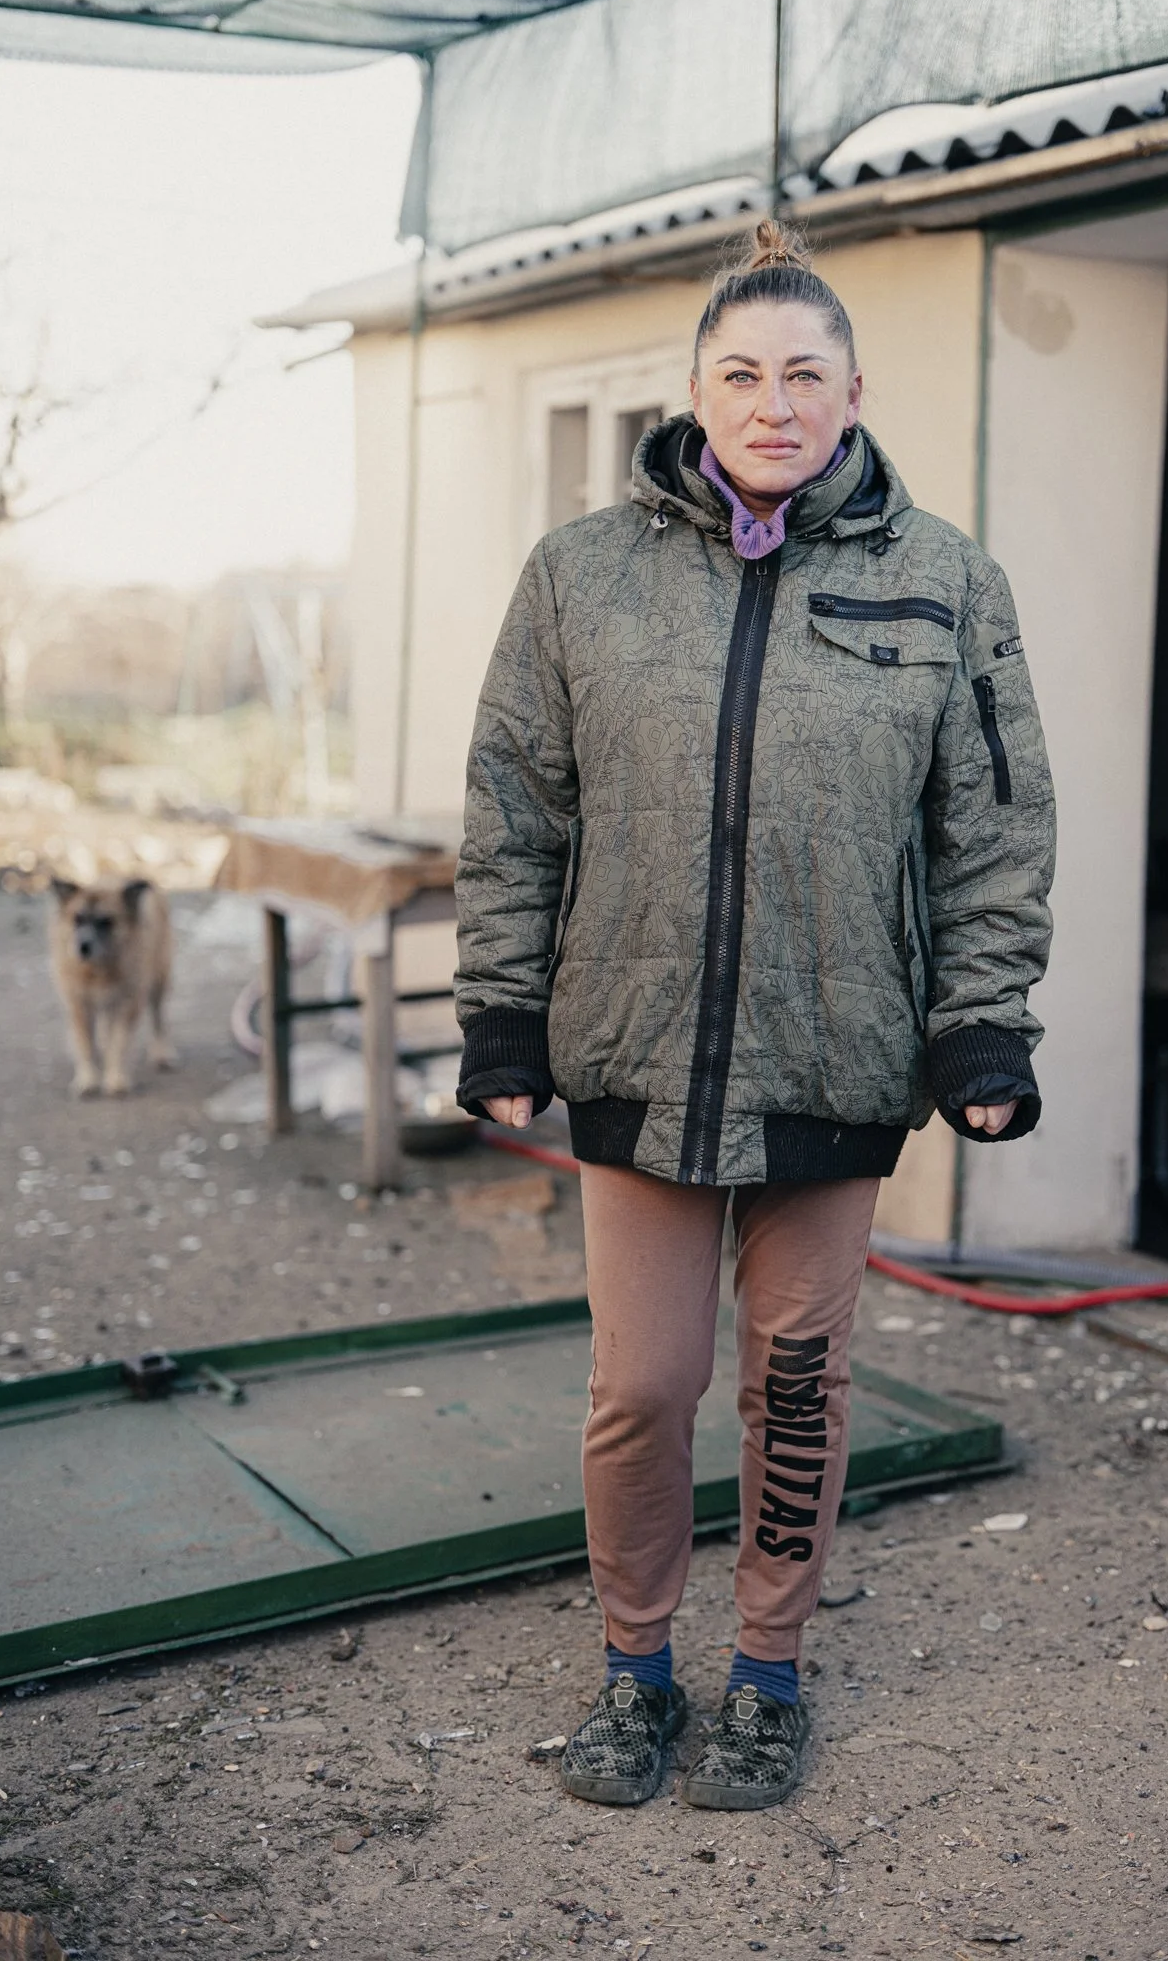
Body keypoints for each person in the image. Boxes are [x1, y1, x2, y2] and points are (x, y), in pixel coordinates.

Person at [454, 220, 1055, 1811]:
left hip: (835, 1051)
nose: (773, 401)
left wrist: (982, 1024)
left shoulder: (946, 583)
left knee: (800, 1379)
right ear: (697, 392)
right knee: (643, 1386)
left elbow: (989, 821)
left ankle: (770, 1680)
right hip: (636, 1053)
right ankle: (636, 1675)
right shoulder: (581, 575)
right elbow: (516, 806)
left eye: (804, 373)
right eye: (743, 373)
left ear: (855, 390)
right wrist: (503, 1015)